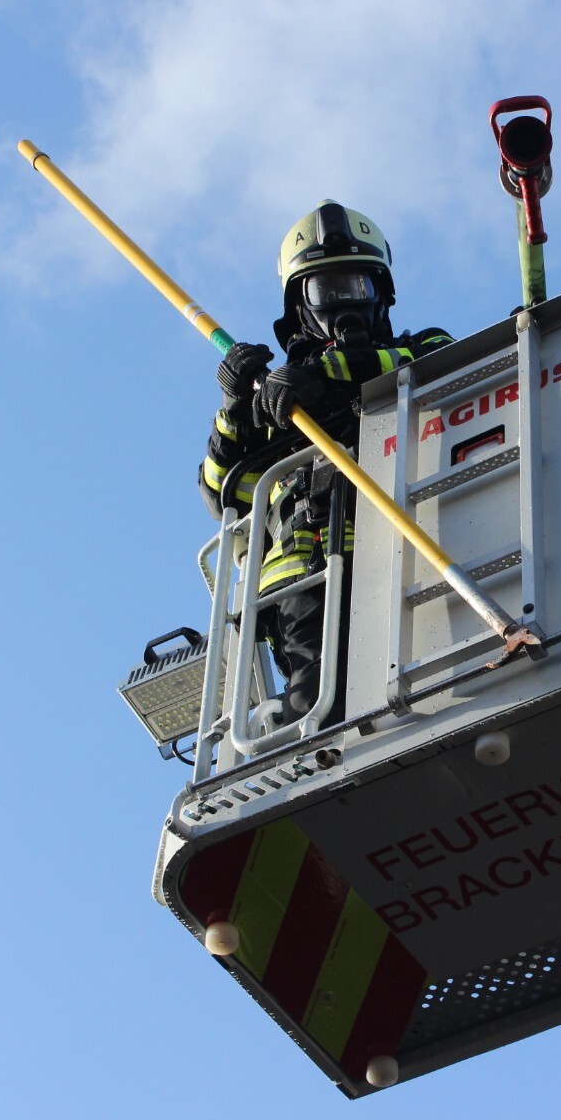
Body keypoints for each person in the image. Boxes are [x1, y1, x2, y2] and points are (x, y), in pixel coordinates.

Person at [199, 201, 453, 726]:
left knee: (431, 682)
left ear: (381, 294)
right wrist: (235, 412)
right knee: (318, 710)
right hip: (301, 584)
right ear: (301, 307)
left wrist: (325, 375)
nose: (345, 303)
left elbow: (444, 366)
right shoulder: (275, 403)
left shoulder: (420, 348)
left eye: (356, 285)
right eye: (327, 291)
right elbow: (225, 496)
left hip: (408, 550)